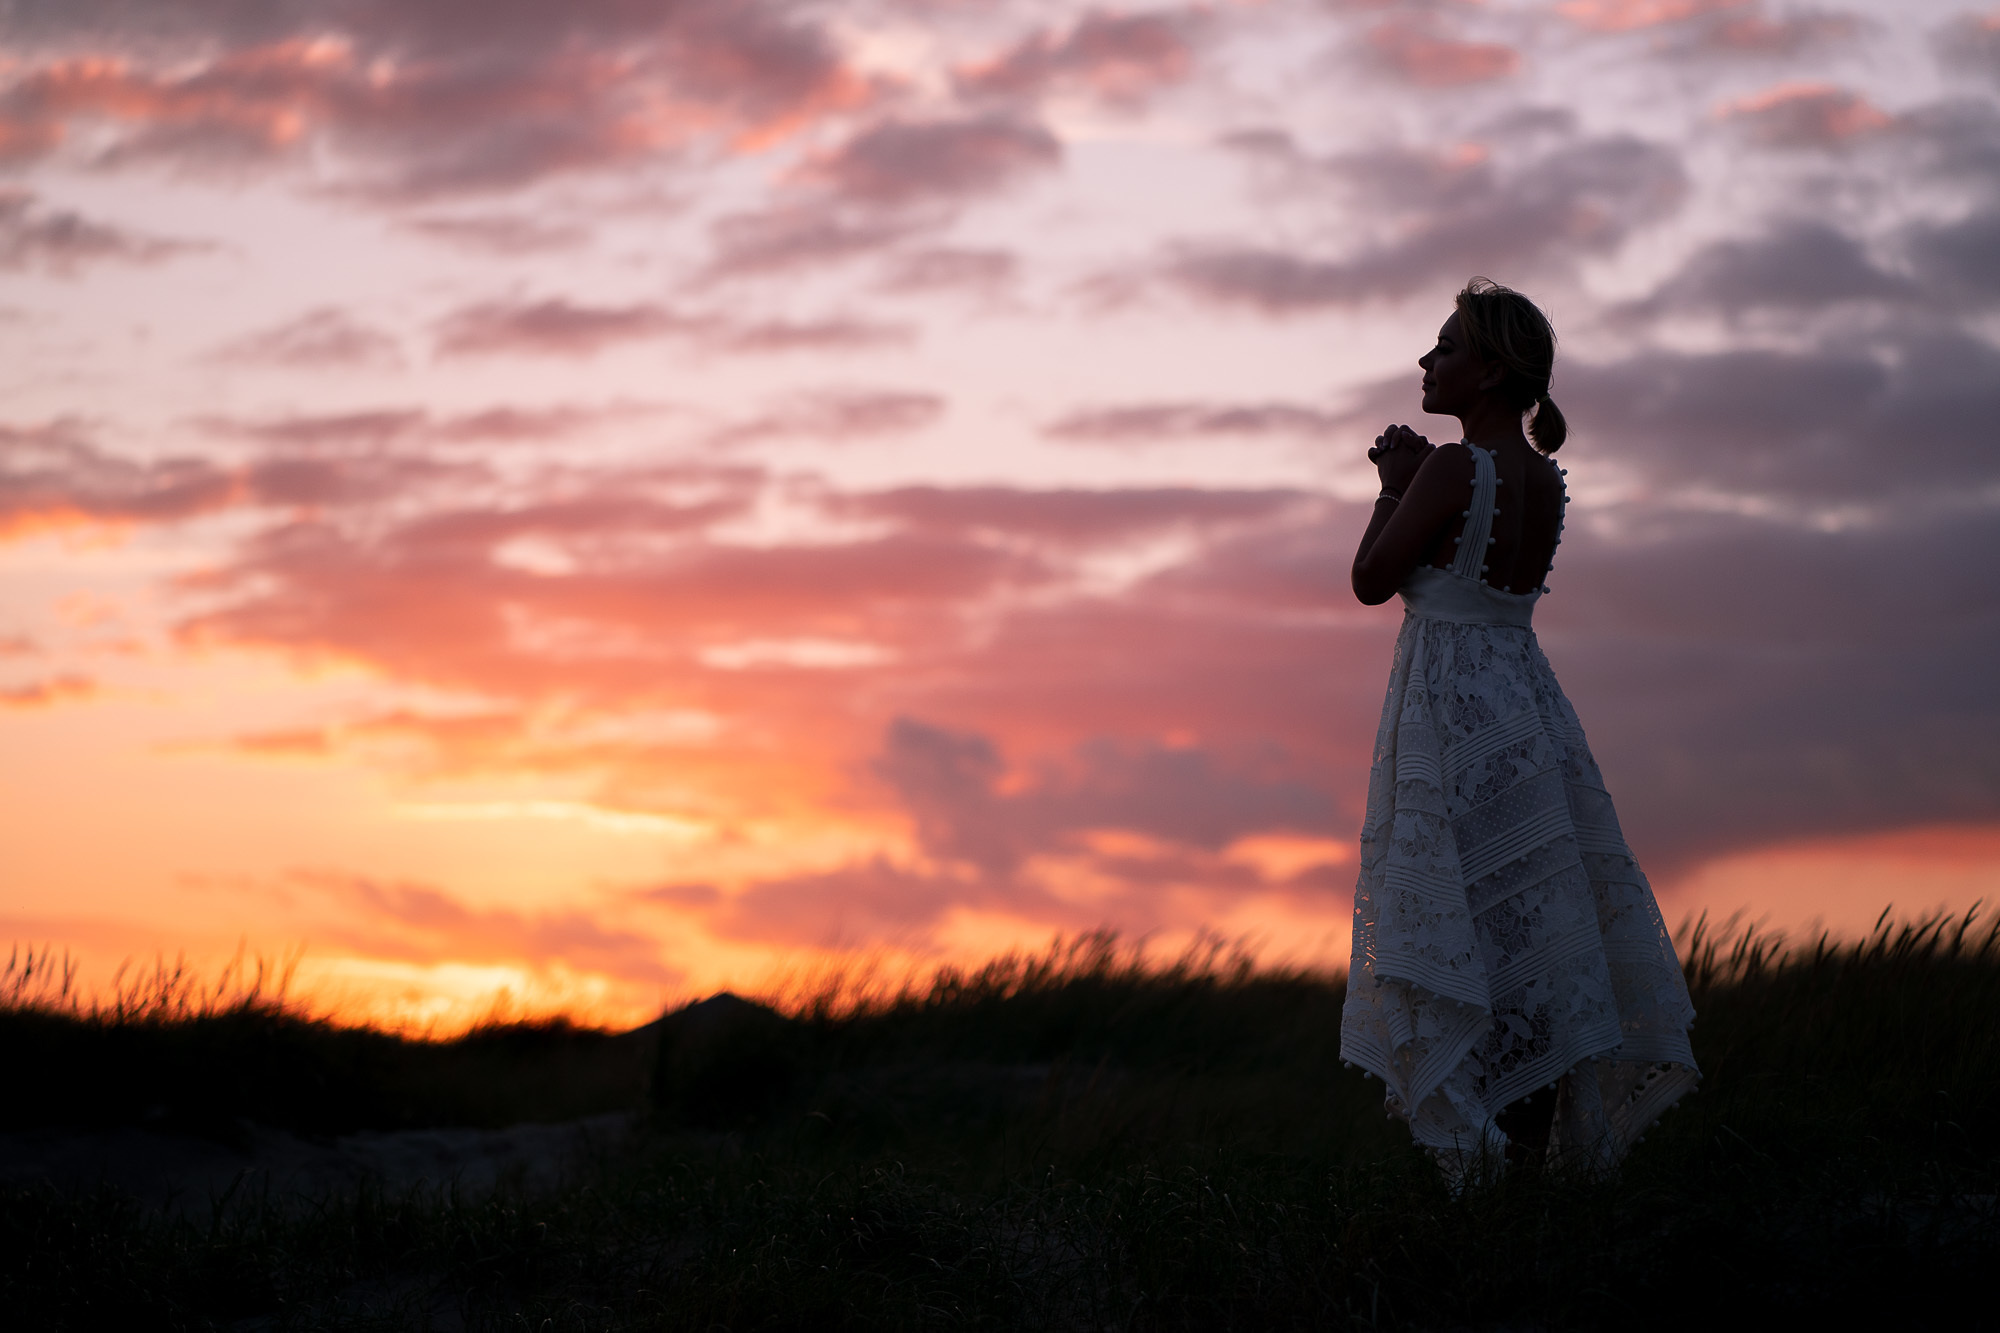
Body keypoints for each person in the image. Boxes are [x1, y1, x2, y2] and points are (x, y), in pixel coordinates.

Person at [1339, 277, 1698, 1178]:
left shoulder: (1455, 469)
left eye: (1447, 348)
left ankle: (1486, 1165)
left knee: (1465, 908)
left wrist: (1393, 485)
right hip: (1524, 706)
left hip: (1452, 710)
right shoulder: (1545, 479)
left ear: (1492, 372)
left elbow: (1373, 579)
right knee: (1523, 931)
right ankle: (1531, 1155)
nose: (1428, 361)